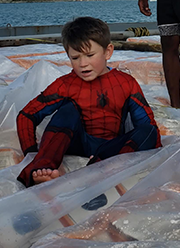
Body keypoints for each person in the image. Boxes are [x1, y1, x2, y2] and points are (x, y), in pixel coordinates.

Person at [16, 16, 161, 187]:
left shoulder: (126, 83)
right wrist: (32, 154)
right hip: (78, 143)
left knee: (149, 130)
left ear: (108, 52)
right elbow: (26, 115)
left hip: (111, 149)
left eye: (90, 55)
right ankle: (42, 166)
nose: (83, 64)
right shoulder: (65, 84)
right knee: (68, 110)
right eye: (75, 58)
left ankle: (103, 166)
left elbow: (146, 124)